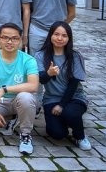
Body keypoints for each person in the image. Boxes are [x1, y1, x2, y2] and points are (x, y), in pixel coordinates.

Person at [0, 23, 39, 155]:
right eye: (5, 37)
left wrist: (5, 88)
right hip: (0, 101)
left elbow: (33, 85)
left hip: (19, 99)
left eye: (14, 38)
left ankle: (25, 135)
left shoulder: (28, 60)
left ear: (20, 40)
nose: (9, 42)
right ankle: (11, 119)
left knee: (26, 97)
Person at [35, 21, 91, 150]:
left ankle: (80, 136)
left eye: (64, 35)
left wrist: (61, 105)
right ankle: (66, 122)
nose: (60, 38)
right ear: (50, 36)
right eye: (56, 34)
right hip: (51, 99)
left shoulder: (75, 56)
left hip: (74, 98)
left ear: (69, 38)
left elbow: (73, 84)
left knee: (70, 113)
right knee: (57, 134)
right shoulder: (40, 55)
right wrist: (48, 73)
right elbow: (41, 80)